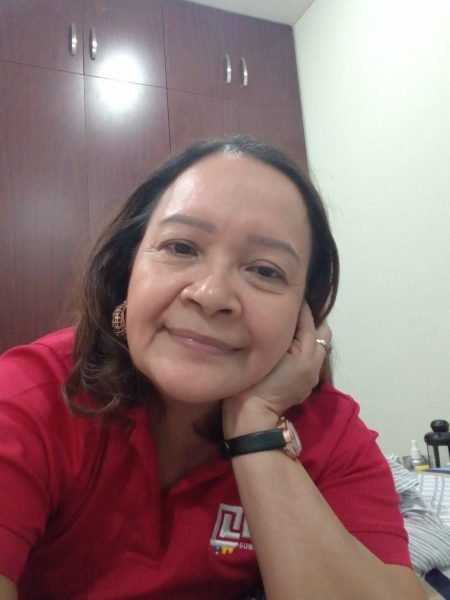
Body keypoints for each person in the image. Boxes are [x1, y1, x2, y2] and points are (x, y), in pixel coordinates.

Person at [0, 136, 426, 599]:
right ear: (127, 270)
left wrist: (256, 428)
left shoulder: (328, 430)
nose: (211, 295)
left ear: (304, 315)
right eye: (181, 247)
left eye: (265, 271)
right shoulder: (31, 396)